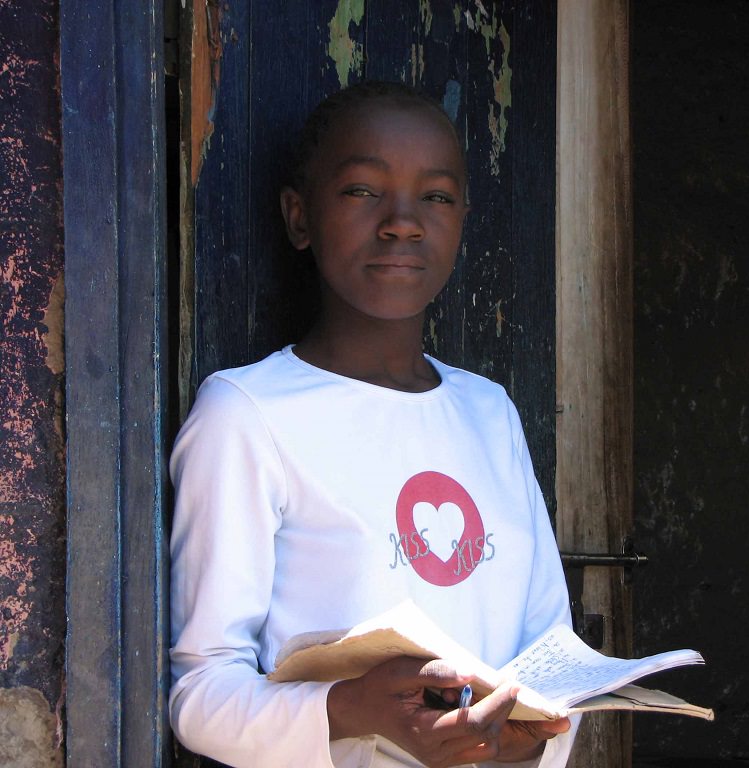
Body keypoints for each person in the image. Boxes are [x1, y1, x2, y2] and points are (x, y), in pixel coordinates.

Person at [168, 81, 576, 768]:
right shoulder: (247, 414)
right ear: (300, 217)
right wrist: (350, 708)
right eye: (363, 191)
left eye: (436, 197)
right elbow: (201, 693)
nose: (403, 221)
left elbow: (550, 654)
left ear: (462, 220)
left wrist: (518, 741)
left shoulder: (488, 413)